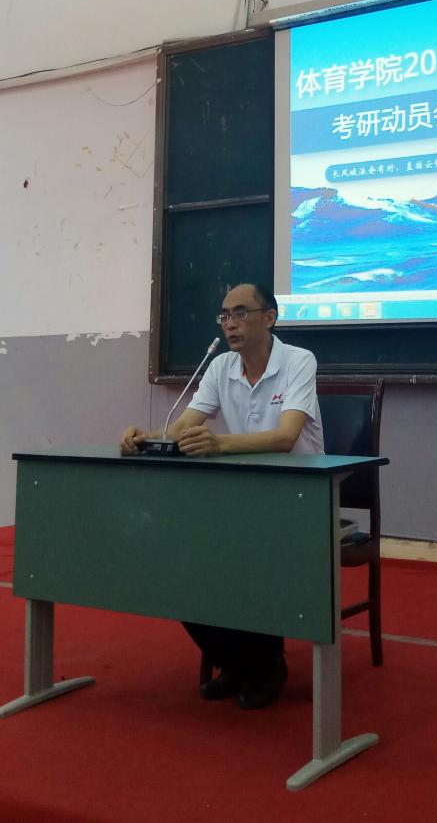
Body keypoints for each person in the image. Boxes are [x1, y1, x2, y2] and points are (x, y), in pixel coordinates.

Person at [119, 282, 324, 709]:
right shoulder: (220, 366)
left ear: (270, 318)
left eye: (241, 313)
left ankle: (264, 666)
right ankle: (234, 660)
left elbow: (286, 437)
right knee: (177, 557)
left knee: (242, 552)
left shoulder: (299, 361)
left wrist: (219, 444)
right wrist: (147, 438)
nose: (230, 323)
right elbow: (184, 426)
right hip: (242, 496)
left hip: (299, 496)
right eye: (225, 315)